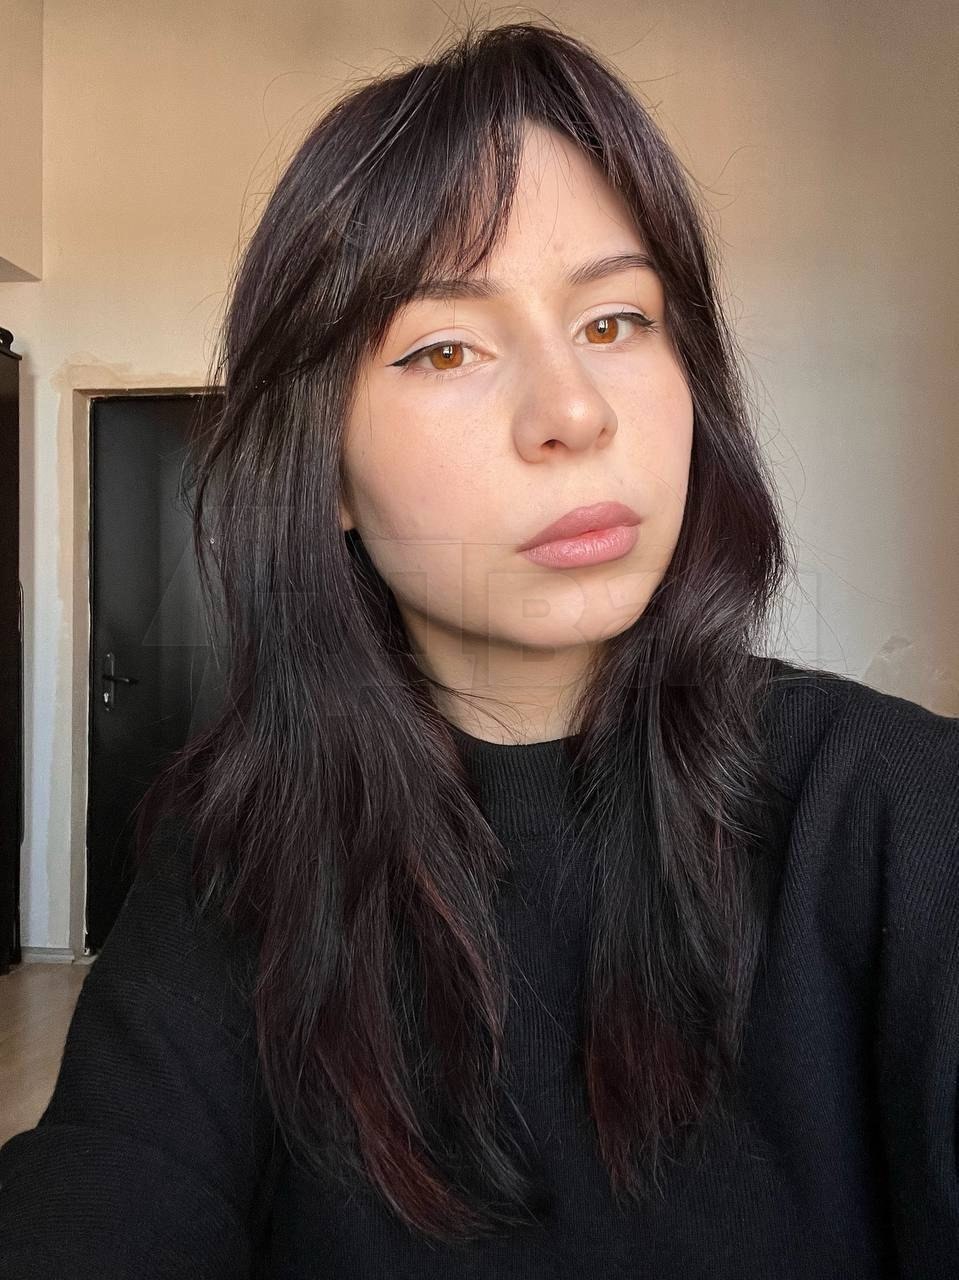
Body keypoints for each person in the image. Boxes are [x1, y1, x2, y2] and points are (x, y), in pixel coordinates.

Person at [1, 18, 956, 1280]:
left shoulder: (899, 811)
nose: (573, 411)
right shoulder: (233, 857)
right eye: (445, 346)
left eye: (614, 321)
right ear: (322, 470)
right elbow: (108, 1180)